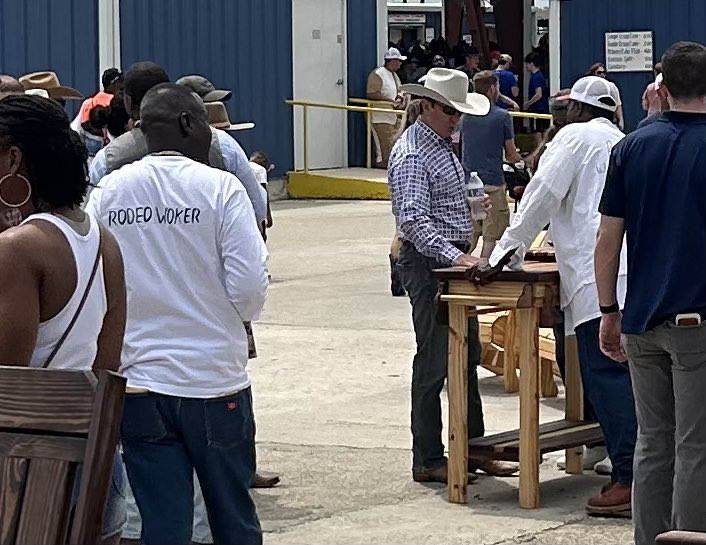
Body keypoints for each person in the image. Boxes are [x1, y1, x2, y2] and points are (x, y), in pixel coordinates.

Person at [86, 83, 267, 545]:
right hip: (212, 381)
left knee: (163, 524)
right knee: (232, 517)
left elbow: (93, 282)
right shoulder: (220, 188)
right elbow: (248, 290)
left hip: (140, 385)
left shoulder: (109, 191)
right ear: (189, 124)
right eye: (207, 123)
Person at [487, 75, 637, 516]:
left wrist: (501, 253)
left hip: (599, 280)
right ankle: (636, 467)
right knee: (636, 381)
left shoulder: (574, 138)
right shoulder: (623, 141)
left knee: (607, 378)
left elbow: (542, 195)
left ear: (579, 110)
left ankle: (628, 478)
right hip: (638, 277)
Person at [0, 94, 127, 543]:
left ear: (13, 160)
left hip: (30, 479)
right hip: (94, 465)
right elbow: (106, 366)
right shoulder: (103, 242)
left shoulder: (19, 248)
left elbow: (10, 383)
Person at [595, 41, 706, 545]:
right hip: (695, 319)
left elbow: (607, 237)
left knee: (653, 441)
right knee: (695, 444)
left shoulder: (631, 146)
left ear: (660, 87)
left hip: (640, 317)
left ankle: (650, 537)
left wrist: (607, 310)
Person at [389, 68, 518, 483]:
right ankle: (429, 457)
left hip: (446, 263)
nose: (455, 118)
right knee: (435, 359)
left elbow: (432, 209)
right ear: (426, 106)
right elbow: (412, 221)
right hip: (431, 266)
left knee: (465, 355)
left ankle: (470, 447)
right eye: (449, 110)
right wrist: (456, 256)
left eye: (458, 112)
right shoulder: (413, 152)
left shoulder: (438, 144)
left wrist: (468, 215)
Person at [90, 62, 267, 226]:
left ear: (128, 102)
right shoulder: (220, 144)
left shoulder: (108, 159)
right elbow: (257, 210)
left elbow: (89, 225)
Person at [460, 71, 523, 261]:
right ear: (493, 88)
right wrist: (521, 159)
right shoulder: (502, 116)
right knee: (492, 232)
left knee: (473, 230)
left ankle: (456, 264)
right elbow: (511, 154)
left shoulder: (465, 116)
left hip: (469, 181)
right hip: (492, 182)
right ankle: (482, 267)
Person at [367, 47, 406, 169]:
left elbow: (399, 90)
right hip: (380, 117)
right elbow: (371, 93)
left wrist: (400, 99)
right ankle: (381, 168)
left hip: (393, 117)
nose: (400, 64)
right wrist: (390, 102)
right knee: (383, 149)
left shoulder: (395, 75)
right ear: (392, 61)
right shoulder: (378, 74)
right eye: (398, 61)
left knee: (393, 146)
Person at [523, 52, 550, 148]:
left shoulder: (536, 77)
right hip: (543, 109)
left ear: (531, 63)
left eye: (527, 64)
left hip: (537, 110)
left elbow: (538, 94)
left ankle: (538, 155)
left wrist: (528, 104)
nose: (526, 66)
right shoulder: (541, 76)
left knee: (537, 133)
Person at [587, 63, 625, 130]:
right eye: (599, 73)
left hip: (609, 121)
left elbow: (618, 104)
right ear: (593, 74)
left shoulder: (611, 87)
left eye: (603, 72)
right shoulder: (588, 87)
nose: (602, 75)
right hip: (592, 121)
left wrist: (620, 121)